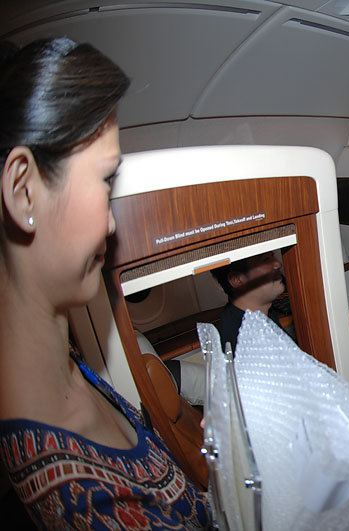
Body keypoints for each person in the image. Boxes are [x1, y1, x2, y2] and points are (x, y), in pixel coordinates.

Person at [0, 38, 210, 528]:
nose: (113, 225)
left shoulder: (70, 365)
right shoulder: (84, 503)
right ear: (23, 191)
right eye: (105, 180)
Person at [210, 252, 349, 415]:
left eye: (272, 256)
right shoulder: (245, 340)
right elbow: (300, 416)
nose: (277, 264)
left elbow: (296, 373)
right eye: (265, 260)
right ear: (237, 280)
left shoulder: (258, 314)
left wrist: (346, 357)